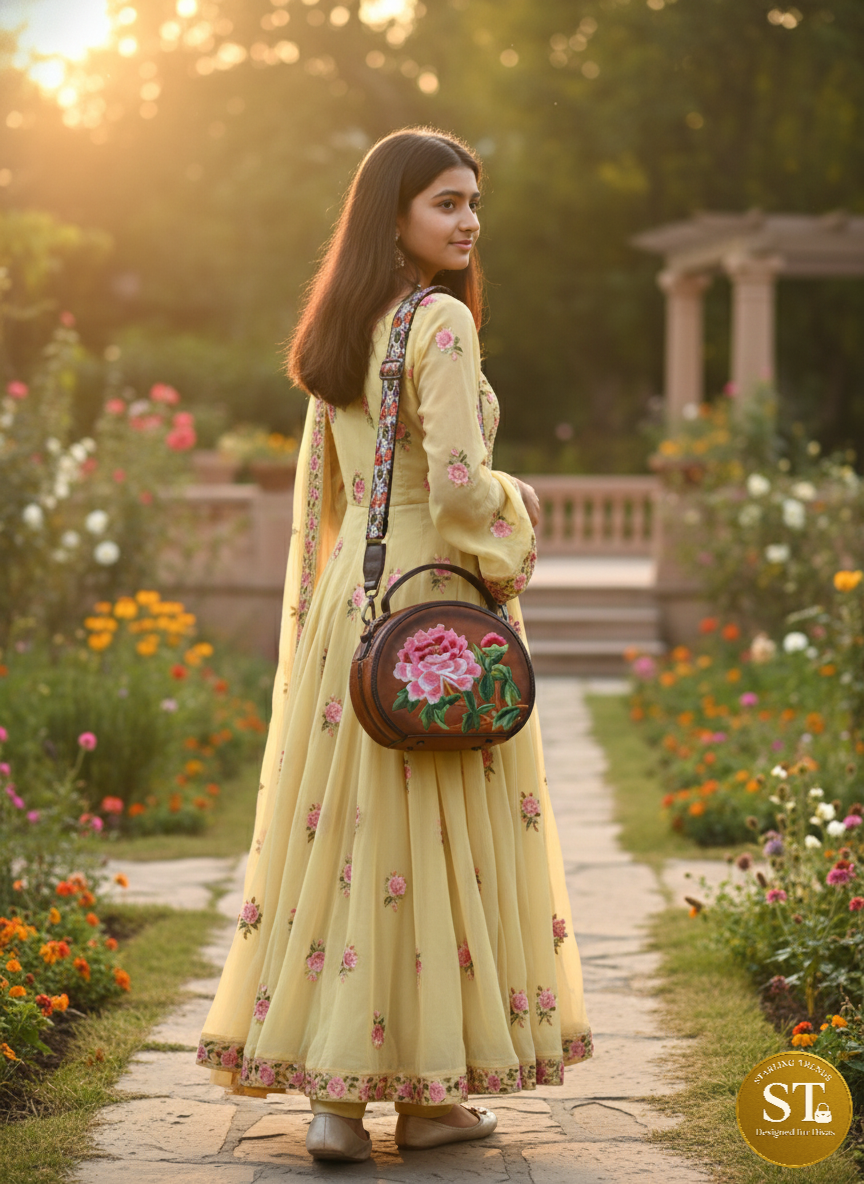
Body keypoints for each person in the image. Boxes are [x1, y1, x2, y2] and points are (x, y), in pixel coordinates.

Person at [195, 127, 592, 1163]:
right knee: (438, 845)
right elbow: (459, 488)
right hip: (436, 609)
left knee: (349, 842)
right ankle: (425, 1099)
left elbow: (333, 495)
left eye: (472, 203)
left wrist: (347, 597)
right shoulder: (443, 321)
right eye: (447, 204)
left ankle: (336, 1104)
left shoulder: (342, 324)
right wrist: (524, 505)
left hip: (353, 609)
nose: (468, 222)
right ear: (396, 214)